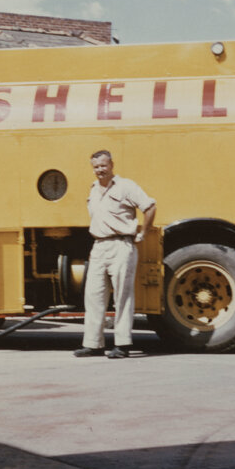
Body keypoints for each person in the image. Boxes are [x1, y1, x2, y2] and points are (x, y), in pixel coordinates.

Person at [75, 150, 156, 359]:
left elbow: (149, 206)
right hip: (99, 246)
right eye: (96, 167)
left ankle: (123, 344)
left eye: (103, 165)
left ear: (111, 164)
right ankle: (93, 344)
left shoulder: (126, 186)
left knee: (122, 296)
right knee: (93, 296)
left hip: (121, 245)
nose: (100, 170)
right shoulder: (93, 189)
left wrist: (144, 232)